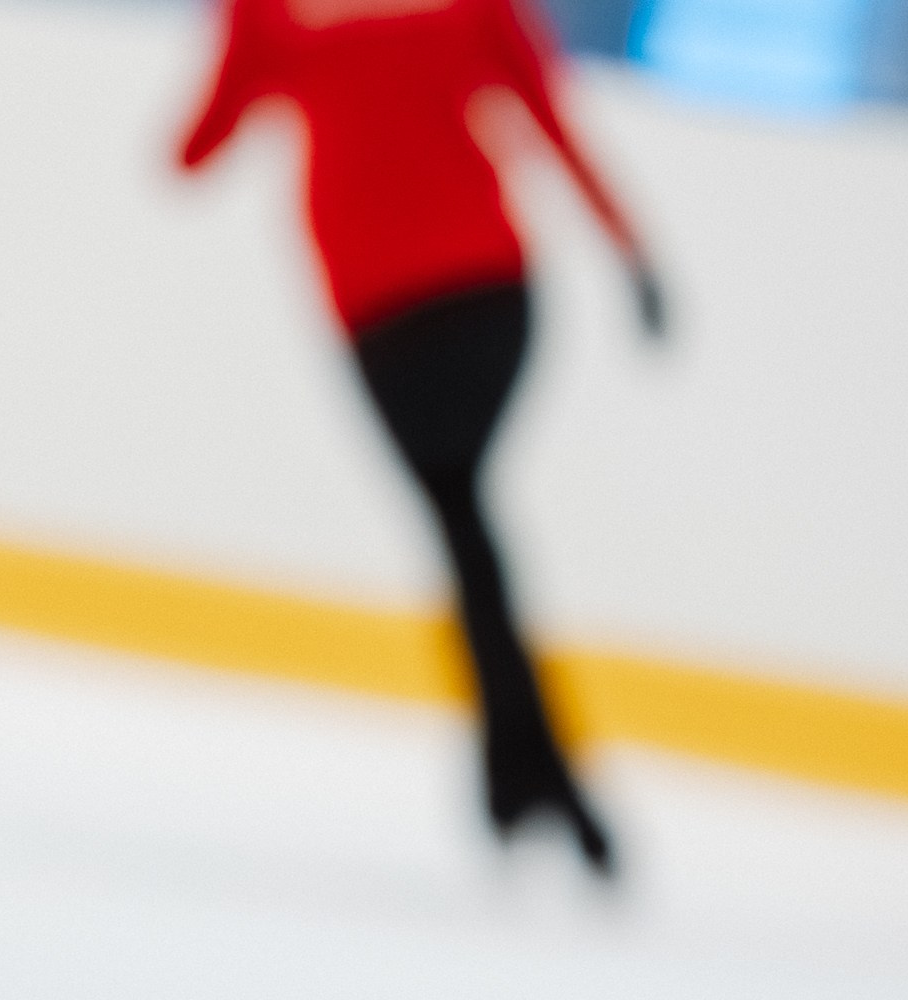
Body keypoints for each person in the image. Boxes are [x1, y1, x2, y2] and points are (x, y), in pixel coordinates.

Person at [175, 0, 664, 872]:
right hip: (487, 299)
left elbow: (194, 150)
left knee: (462, 521)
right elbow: (551, 121)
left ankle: (528, 779)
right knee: (468, 526)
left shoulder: (273, 12)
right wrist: (633, 255)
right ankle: (532, 778)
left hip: (388, 314)